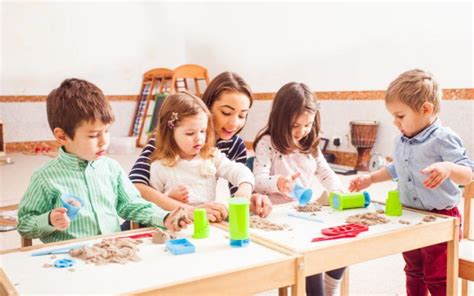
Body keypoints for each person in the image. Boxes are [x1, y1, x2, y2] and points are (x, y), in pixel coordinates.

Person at [17, 79, 190, 243]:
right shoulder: (45, 177)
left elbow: (132, 204)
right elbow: (24, 224)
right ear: (62, 136)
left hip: (110, 251)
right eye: (93, 135)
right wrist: (48, 220)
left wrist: (164, 217)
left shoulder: (111, 168)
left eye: (106, 131)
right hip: (68, 259)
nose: (103, 141)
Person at [349, 69, 473, 296]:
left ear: (426, 109)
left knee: (438, 277)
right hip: (411, 217)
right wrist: (370, 178)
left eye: (400, 116)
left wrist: (448, 168)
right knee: (413, 270)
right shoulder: (402, 141)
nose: (395, 122)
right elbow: (397, 168)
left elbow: (467, 174)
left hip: (441, 220)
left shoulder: (443, 138)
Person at [128, 72, 272, 222]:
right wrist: (190, 211)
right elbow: (136, 188)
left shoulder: (227, 148)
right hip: (166, 220)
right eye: (226, 112)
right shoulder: (164, 142)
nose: (234, 123)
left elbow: (239, 186)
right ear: (206, 107)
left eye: (242, 115)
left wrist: (250, 196)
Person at [253, 82, 345, 296]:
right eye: (295, 125)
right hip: (278, 216)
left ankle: (331, 287)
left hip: (304, 211)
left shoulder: (309, 144)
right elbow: (258, 180)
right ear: (280, 119)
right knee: (310, 252)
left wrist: (339, 192)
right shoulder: (268, 143)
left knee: (341, 240)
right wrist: (278, 182)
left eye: (308, 124)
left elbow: (325, 173)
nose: (302, 131)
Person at [149, 91, 255, 206]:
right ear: (170, 133)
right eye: (190, 133)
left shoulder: (211, 156)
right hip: (177, 222)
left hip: (207, 221)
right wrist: (169, 198)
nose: (198, 138)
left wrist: (245, 186)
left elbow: (238, 170)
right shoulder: (160, 166)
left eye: (203, 131)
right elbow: (150, 207)